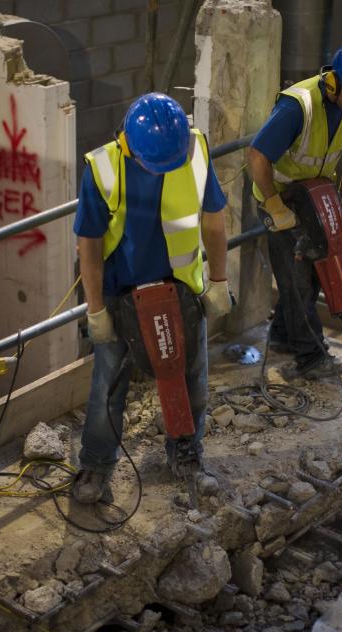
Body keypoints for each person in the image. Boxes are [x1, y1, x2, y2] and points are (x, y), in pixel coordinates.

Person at [72, 93, 232, 504]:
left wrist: (217, 280)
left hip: (181, 284)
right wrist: (96, 311)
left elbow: (214, 220)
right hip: (120, 289)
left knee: (191, 373)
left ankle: (187, 451)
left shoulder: (193, 150)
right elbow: (88, 246)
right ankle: (96, 464)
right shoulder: (103, 167)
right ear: (128, 144)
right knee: (109, 380)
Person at [248, 42, 342, 380]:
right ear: (334, 82)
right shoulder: (299, 106)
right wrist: (274, 205)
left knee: (312, 274)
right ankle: (311, 357)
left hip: (316, 197)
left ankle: (282, 333)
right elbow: (257, 156)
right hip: (281, 197)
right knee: (298, 281)